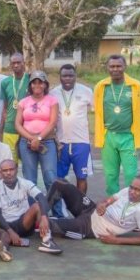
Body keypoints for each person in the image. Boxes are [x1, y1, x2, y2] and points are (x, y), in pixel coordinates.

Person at [93, 55, 140, 196]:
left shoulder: (136, 86)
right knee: (111, 175)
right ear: (107, 68)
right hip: (108, 136)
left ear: (125, 67)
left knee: (131, 175)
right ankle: (113, 205)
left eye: (118, 66)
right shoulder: (101, 87)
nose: (115, 69)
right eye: (112, 66)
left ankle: (131, 204)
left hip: (128, 136)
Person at [45, 177, 140, 246]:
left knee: (49, 224)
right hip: (90, 209)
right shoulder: (127, 191)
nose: (132, 192)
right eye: (132, 187)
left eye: (137, 190)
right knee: (60, 183)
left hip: (89, 228)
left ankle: (36, 221)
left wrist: (117, 240)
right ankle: (41, 213)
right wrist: (102, 204)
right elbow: (110, 199)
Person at [0, 160, 59, 258]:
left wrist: (44, 217)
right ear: (0, 173)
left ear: (16, 169)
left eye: (11, 169)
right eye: (5, 170)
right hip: (6, 225)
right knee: (4, 235)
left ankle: (47, 241)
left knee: (37, 206)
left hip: (24, 222)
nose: (8, 173)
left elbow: (41, 197)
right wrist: (11, 232)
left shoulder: (25, 183)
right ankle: (4, 250)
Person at [50, 64, 94, 194]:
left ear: (75, 76)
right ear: (60, 77)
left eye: (71, 76)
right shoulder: (53, 93)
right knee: (58, 177)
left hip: (81, 142)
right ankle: (58, 205)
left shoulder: (86, 91)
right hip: (61, 143)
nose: (68, 78)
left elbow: (97, 110)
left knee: (81, 177)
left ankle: (80, 205)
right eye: (64, 76)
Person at [16, 71, 58, 192]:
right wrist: (32, 139)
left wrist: (38, 138)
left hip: (47, 142)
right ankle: (33, 204)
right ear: (30, 85)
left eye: (40, 82)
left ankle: (55, 205)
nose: (37, 85)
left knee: (50, 177)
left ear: (45, 85)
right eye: (34, 83)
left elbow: (53, 122)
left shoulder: (52, 101)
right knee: (29, 179)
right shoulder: (23, 102)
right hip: (27, 142)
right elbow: (17, 124)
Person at [0, 53, 28, 161]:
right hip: (9, 130)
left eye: (18, 62)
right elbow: (5, 108)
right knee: (10, 164)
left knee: (27, 165)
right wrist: (1, 130)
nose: (16, 65)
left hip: (27, 130)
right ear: (10, 65)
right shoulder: (5, 82)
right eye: (13, 63)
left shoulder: (31, 80)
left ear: (23, 63)